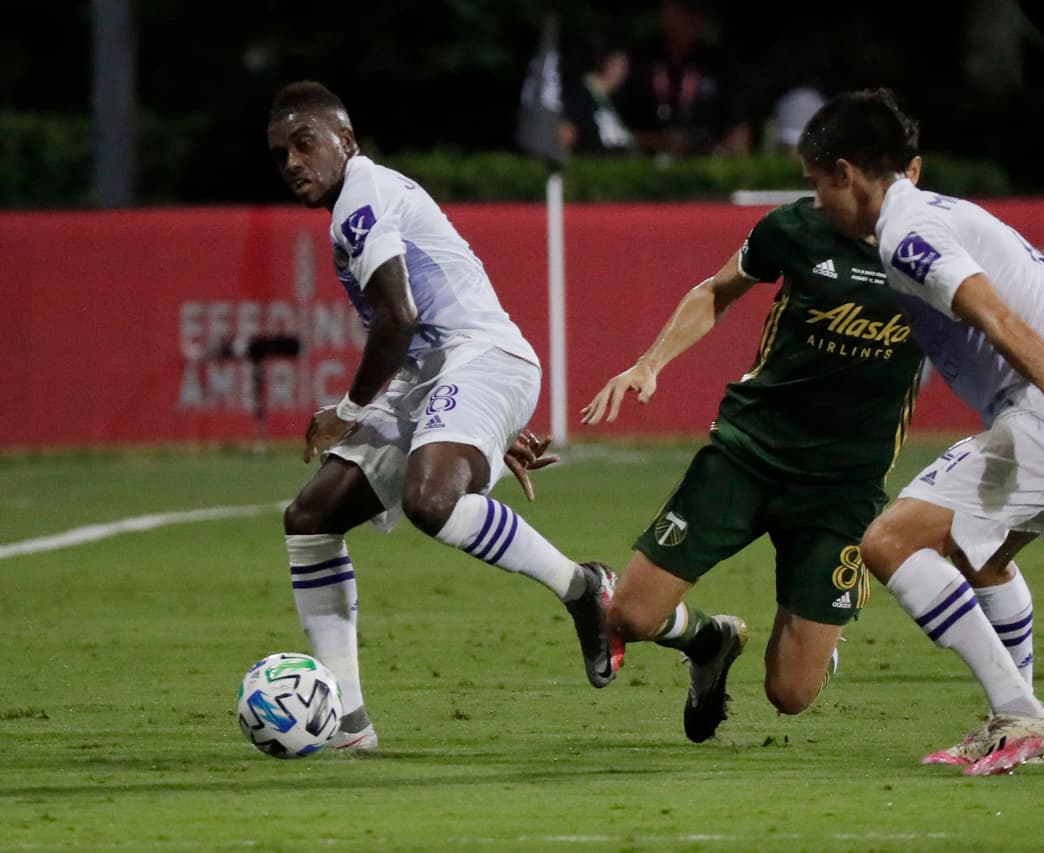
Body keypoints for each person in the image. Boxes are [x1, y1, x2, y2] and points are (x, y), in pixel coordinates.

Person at [265, 81, 622, 751]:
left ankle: (582, 588)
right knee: (311, 518)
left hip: (481, 357)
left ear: (346, 140)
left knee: (430, 499)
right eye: (281, 153)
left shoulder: (362, 196)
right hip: (434, 376)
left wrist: (348, 412)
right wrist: (469, 431)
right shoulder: (356, 202)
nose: (292, 162)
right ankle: (348, 727)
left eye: (305, 144)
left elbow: (399, 318)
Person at [795, 89, 1044, 775]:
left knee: (889, 542)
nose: (816, 202)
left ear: (846, 173)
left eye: (817, 184)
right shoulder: (929, 214)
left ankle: (1021, 712)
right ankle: (1014, 720)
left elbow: (1000, 319)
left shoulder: (905, 235)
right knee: (984, 560)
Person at [581, 155, 926, 742]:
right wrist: (650, 363)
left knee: (790, 693)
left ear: (912, 171)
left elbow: (998, 326)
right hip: (748, 454)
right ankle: (709, 641)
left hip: (843, 487)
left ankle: (818, 644)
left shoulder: (945, 250)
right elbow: (717, 290)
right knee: (631, 616)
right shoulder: (795, 228)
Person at [616, 0, 752, 156]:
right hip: (643, 156)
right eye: (687, 10)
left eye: (698, 11)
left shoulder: (719, 65)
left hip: (705, 158)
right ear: (666, 11)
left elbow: (739, 129)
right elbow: (613, 126)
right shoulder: (636, 59)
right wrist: (659, 142)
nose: (692, 18)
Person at [560, 32, 636, 155]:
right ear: (604, 62)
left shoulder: (614, 98)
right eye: (620, 64)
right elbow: (564, 139)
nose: (624, 71)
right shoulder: (578, 95)